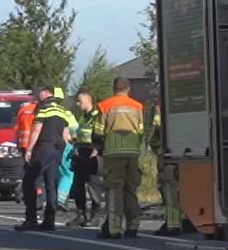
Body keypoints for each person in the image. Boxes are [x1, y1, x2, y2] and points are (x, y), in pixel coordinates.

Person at [15, 85, 74, 232]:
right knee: (51, 184)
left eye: (39, 94)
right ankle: (49, 221)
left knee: (29, 181)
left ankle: (31, 220)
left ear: (46, 93)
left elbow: (36, 130)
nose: (37, 97)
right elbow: (66, 134)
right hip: (58, 150)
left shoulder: (44, 108)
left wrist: (29, 150)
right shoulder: (63, 111)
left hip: (44, 148)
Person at [96, 77, 146, 239]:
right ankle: (133, 225)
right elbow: (140, 131)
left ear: (114, 88)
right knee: (130, 189)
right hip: (132, 153)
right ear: (128, 89)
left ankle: (113, 228)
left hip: (113, 153)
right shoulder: (137, 106)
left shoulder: (105, 106)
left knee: (114, 190)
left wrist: (100, 148)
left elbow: (98, 132)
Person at [147, 97, 185, 236]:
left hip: (168, 158)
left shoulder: (164, 113)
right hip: (182, 156)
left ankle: (173, 225)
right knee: (180, 191)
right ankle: (182, 221)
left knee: (169, 192)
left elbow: (157, 129)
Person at [66, 88, 102, 228]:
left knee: (94, 185)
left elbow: (99, 134)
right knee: (78, 185)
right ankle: (81, 214)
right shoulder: (83, 116)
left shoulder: (96, 115)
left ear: (88, 100)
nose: (77, 104)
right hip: (81, 151)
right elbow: (81, 135)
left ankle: (96, 215)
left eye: (80, 101)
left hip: (92, 153)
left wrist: (96, 150)